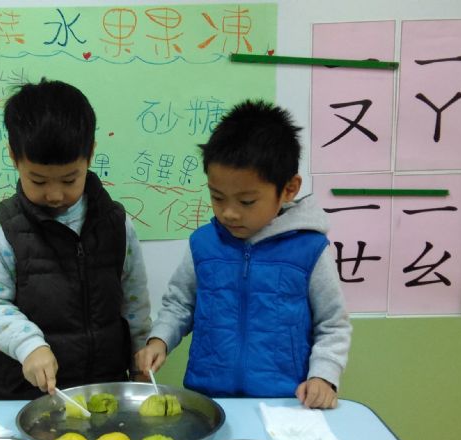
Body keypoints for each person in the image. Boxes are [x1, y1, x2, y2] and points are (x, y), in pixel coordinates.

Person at [135, 100, 351, 409]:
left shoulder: (309, 249)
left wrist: (324, 376)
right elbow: (179, 304)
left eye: (247, 201)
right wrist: (160, 340)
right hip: (208, 399)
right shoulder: (204, 244)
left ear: (289, 189)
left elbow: (332, 324)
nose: (229, 213)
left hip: (284, 402)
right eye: (217, 197)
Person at [0, 79, 151, 400]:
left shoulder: (116, 224)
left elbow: (134, 302)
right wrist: (29, 345)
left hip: (102, 391)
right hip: (22, 394)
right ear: (14, 156)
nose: (54, 195)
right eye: (38, 181)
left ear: (90, 154)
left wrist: (139, 362)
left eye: (69, 180)